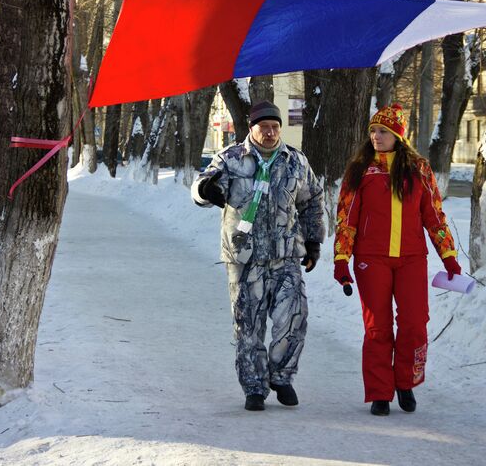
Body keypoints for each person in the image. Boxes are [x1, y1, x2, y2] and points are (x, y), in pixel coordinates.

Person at [191, 100, 325, 411]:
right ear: (251, 128)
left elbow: (312, 200)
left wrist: (314, 241)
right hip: (244, 258)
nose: (270, 132)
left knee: (294, 319)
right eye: (264, 127)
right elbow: (200, 187)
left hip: (285, 255)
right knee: (247, 327)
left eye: (275, 127)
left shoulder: (295, 161)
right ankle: (254, 386)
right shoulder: (231, 159)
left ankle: (281, 376)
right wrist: (206, 191)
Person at [333, 103, 462, 416]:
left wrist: (449, 257)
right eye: (373, 131)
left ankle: (404, 382)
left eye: (383, 132)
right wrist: (341, 259)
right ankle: (380, 391)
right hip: (371, 259)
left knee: (414, 324)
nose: (376, 136)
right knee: (377, 327)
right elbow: (346, 218)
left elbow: (434, 215)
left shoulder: (418, 169)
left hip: (411, 259)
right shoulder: (360, 170)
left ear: (398, 136)